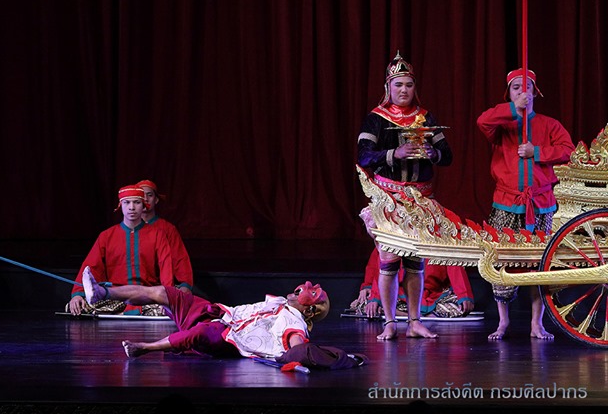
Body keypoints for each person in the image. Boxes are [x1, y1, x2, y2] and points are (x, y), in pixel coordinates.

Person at [82, 268, 365, 371]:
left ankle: (144, 348)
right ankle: (102, 293)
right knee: (165, 293)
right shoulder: (281, 302)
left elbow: (296, 345)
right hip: (220, 313)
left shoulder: (296, 323)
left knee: (204, 332)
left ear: (310, 309)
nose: (303, 286)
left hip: (228, 338)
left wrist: (302, 356)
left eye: (309, 293)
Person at [357, 51, 452, 340]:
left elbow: (447, 156)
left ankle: (414, 322)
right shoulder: (376, 118)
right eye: (398, 85)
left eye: (409, 85)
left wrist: (433, 153)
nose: (404, 90)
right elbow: (363, 156)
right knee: (388, 263)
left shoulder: (425, 117)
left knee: (416, 263)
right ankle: (389, 322)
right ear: (388, 87)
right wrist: (393, 153)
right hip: (389, 200)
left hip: (420, 201)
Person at [477, 68, 573, 341]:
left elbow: (568, 150)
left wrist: (537, 152)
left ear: (535, 92)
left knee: (540, 263)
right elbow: (482, 121)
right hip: (506, 202)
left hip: (541, 203)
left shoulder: (549, 124)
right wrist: (513, 109)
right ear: (508, 94)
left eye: (527, 87)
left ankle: (536, 323)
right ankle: (503, 321)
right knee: (501, 260)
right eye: (516, 88)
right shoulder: (502, 125)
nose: (522, 92)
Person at [67, 185, 174, 316]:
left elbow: (166, 267)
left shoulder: (158, 235)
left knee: (169, 307)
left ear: (143, 205)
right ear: (120, 205)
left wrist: (167, 298)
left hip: (148, 298)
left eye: (137, 202)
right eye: (127, 202)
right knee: (79, 306)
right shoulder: (106, 236)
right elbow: (90, 267)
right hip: (116, 298)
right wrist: (78, 294)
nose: (132, 207)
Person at [349, 249, 475, 319]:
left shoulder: (441, 233)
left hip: (434, 296)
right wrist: (373, 293)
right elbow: (383, 269)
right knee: (365, 305)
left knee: (460, 306)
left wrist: (464, 295)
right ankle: (421, 316)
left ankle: (405, 315)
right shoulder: (398, 233)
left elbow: (455, 265)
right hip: (402, 295)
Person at [136, 179, 194, 293]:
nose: (145, 199)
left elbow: (180, 258)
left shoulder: (167, 228)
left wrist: (185, 284)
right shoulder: (126, 229)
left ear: (156, 200)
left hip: (160, 287)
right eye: (141, 195)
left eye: (149, 195)